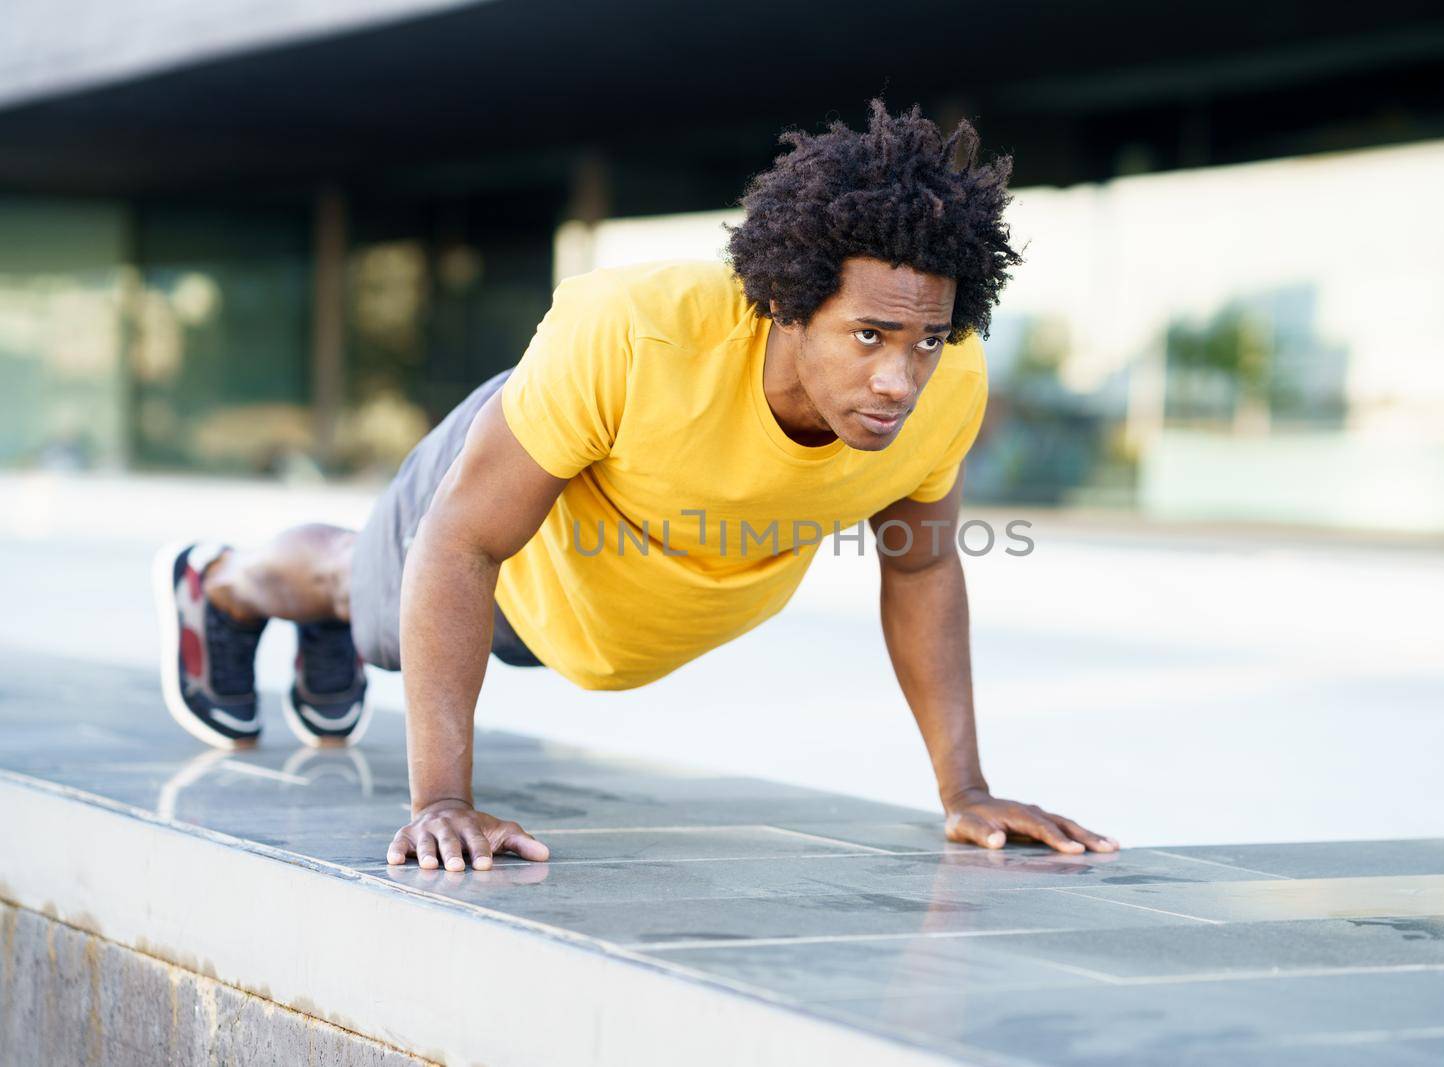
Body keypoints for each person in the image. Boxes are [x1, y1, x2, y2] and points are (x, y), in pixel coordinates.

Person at [152, 101, 1120, 872]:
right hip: (505, 546)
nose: (899, 378)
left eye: (926, 340)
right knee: (357, 588)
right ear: (786, 304)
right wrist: (440, 799)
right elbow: (461, 543)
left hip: (594, 619)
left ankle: (324, 614)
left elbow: (919, 574)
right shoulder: (634, 332)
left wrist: (966, 790)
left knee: (366, 608)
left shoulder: (947, 387)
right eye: (869, 334)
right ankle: (219, 583)